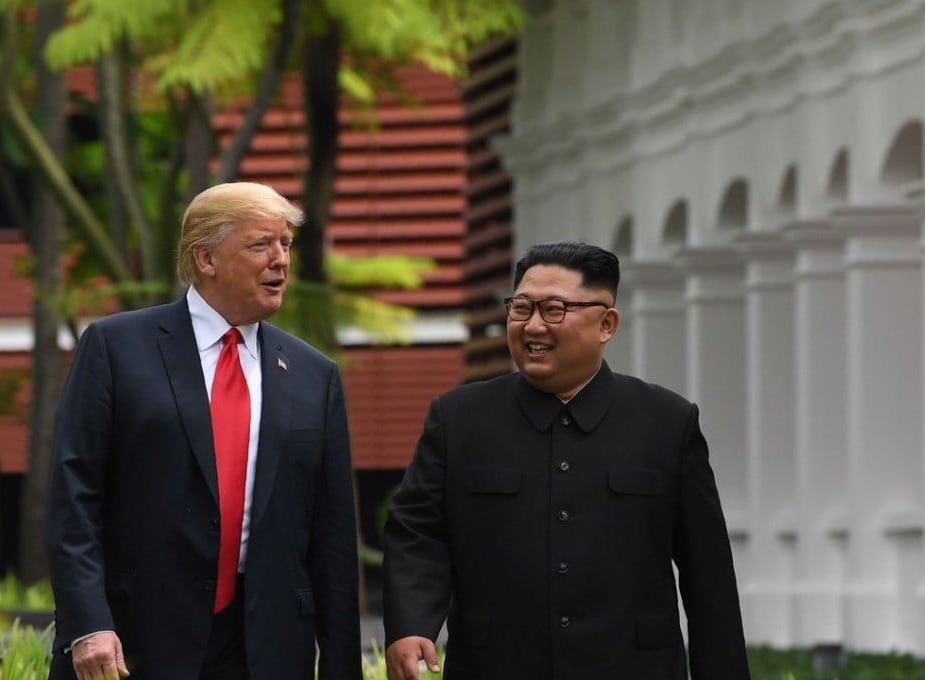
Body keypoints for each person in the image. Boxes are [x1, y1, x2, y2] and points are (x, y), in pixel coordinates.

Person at [382, 241, 750, 680]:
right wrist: (409, 625)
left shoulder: (667, 423)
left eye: (554, 310)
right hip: (495, 666)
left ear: (606, 324)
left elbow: (707, 574)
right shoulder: (459, 419)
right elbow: (417, 532)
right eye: (521, 308)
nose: (533, 326)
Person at [46, 182, 363, 680]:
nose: (280, 260)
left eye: (286, 245)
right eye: (261, 245)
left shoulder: (313, 374)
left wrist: (342, 666)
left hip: (267, 648)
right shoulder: (115, 348)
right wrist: (87, 625)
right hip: (134, 640)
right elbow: (73, 499)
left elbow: (334, 538)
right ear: (206, 258)